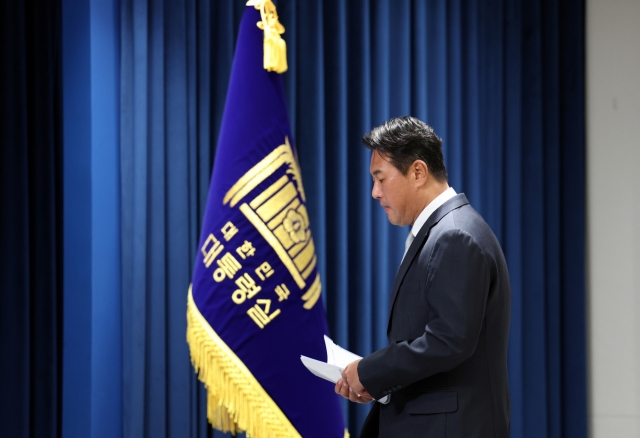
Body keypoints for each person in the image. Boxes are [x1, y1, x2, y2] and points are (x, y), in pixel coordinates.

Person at [335, 116, 511, 437]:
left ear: (417, 172)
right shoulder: (443, 232)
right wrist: (376, 381)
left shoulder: (455, 236)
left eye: (380, 179)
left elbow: (448, 340)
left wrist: (370, 371)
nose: (374, 192)